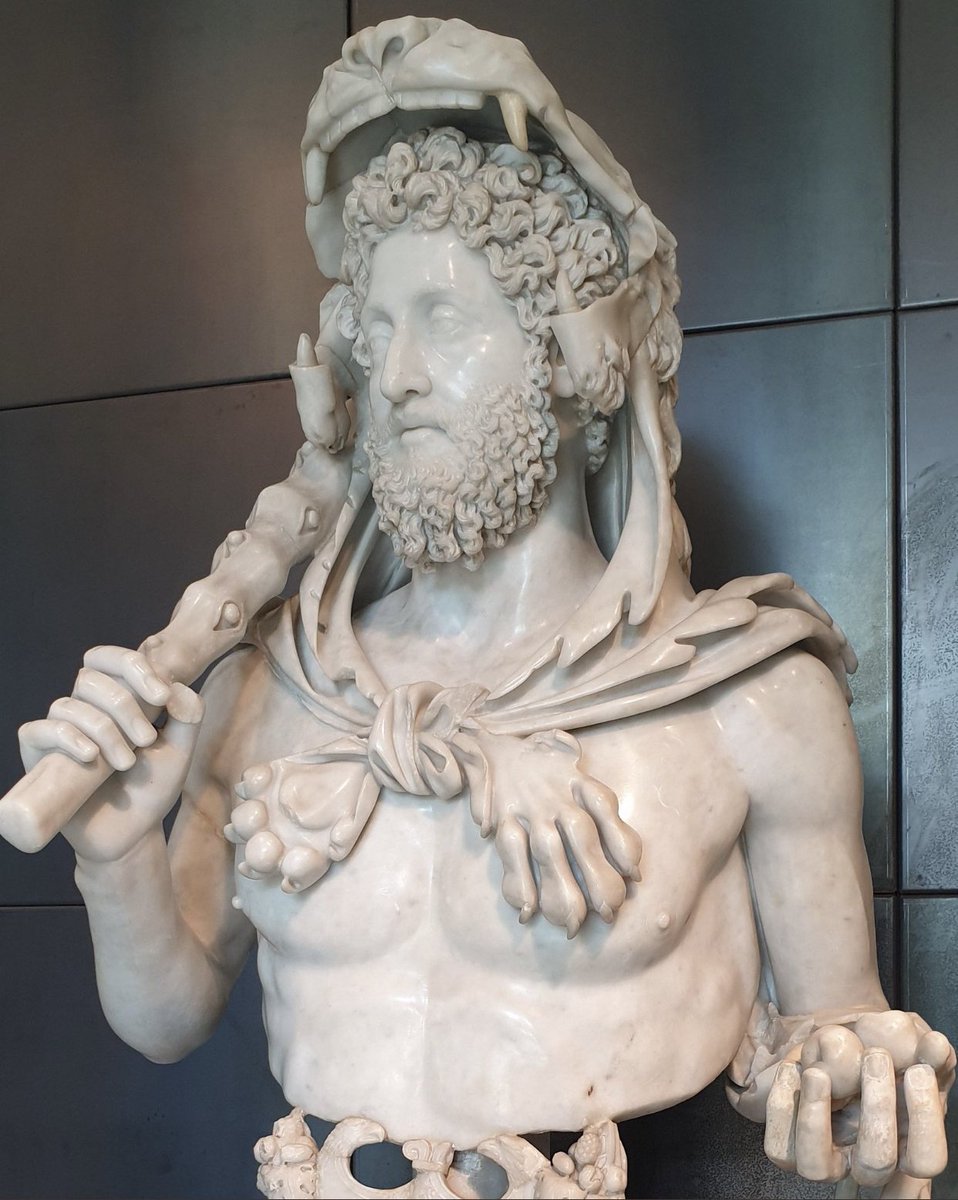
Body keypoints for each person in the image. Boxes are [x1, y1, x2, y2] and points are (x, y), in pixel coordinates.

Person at [10, 18, 954, 1199]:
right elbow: (167, 1015)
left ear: (570, 360)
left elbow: (837, 1043)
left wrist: (856, 1079)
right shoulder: (271, 685)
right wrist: (113, 852)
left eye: (444, 319)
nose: (395, 375)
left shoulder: (747, 700)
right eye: (375, 330)